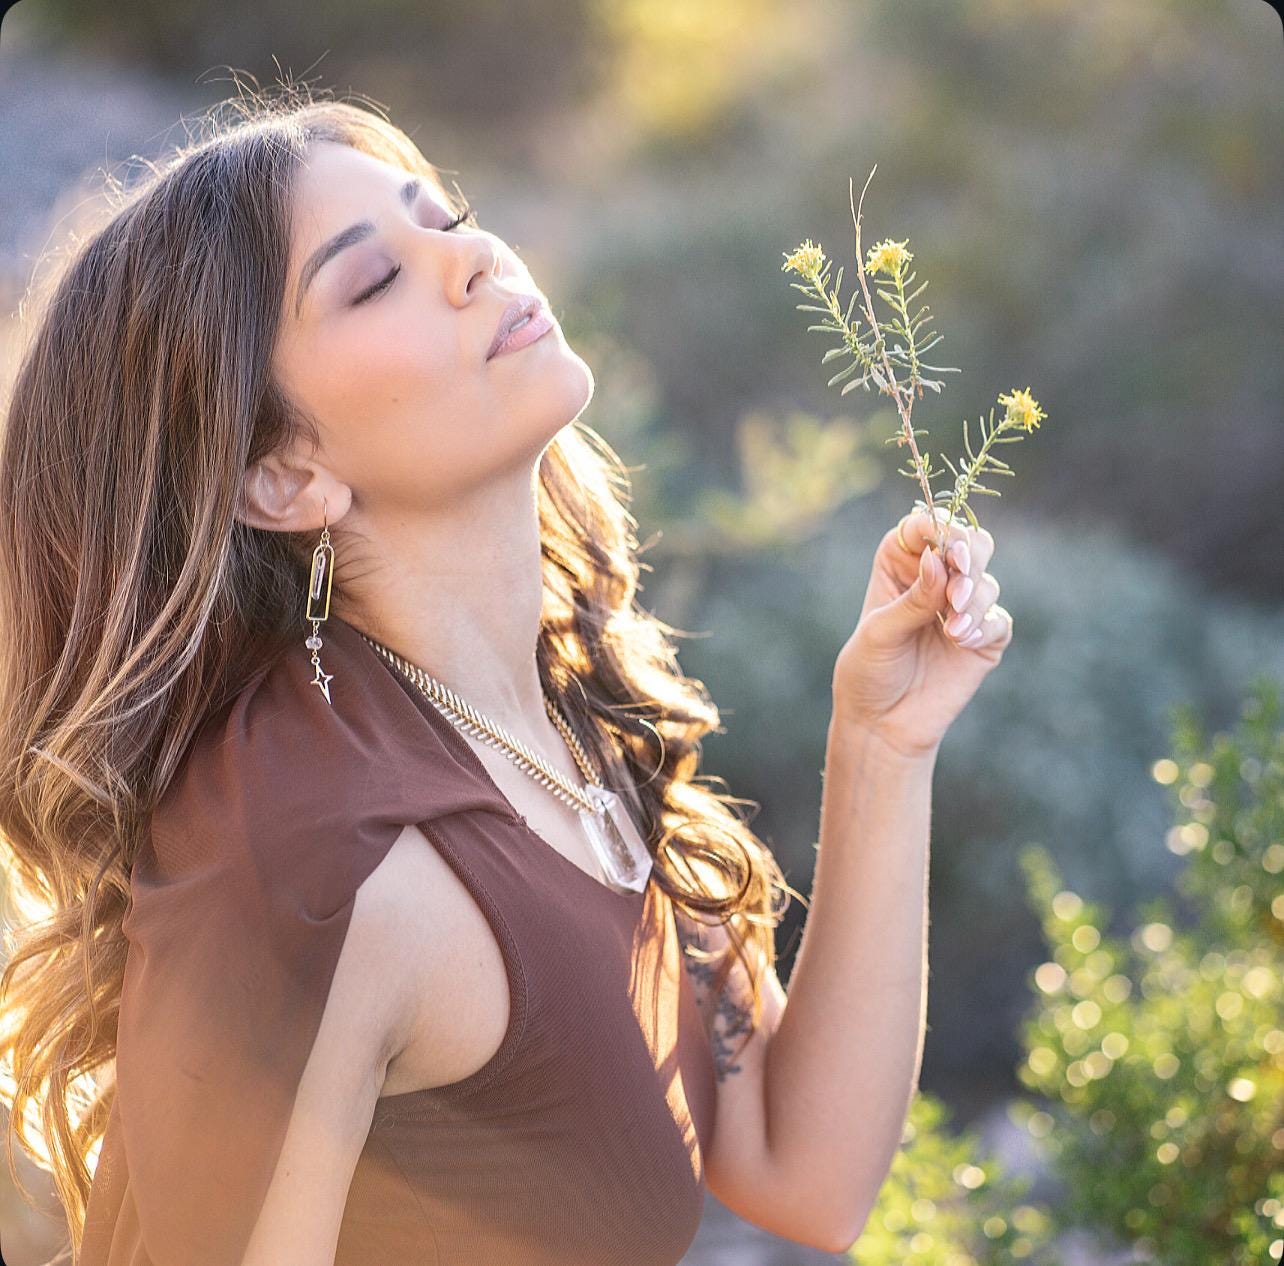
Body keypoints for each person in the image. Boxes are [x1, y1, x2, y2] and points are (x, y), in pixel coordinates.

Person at [0, 87, 801, 1264]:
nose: (473, 257)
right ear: (282, 477)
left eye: (452, 216)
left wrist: (885, 735)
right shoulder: (320, 867)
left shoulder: (566, 726)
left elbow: (801, 1169)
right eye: (372, 280)